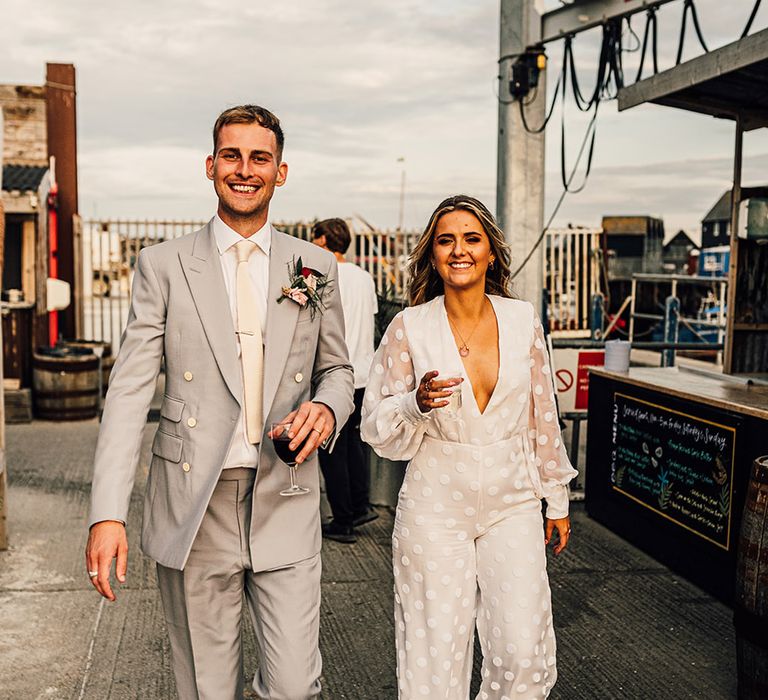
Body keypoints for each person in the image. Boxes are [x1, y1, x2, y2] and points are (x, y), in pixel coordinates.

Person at [85, 105, 354, 700]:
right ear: (210, 166)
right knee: (207, 688)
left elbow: (336, 368)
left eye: (260, 157)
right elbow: (129, 391)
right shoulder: (162, 265)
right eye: (231, 155)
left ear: (280, 172)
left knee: (293, 686)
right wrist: (108, 513)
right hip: (194, 502)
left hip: (286, 494)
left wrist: (329, 408)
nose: (244, 169)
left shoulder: (315, 267)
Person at [360, 195, 577, 699]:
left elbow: (542, 415)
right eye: (446, 240)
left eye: (471, 238)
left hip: (514, 501)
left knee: (523, 651)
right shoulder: (408, 327)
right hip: (435, 505)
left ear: (491, 253)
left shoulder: (523, 320)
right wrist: (415, 404)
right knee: (434, 653)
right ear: (432, 255)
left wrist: (557, 498)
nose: (459, 250)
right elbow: (375, 423)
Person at [312, 218, 378, 543]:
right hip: (364, 372)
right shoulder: (365, 278)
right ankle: (361, 504)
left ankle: (343, 519)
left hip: (334, 373)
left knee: (331, 448)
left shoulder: (321, 273)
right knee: (354, 443)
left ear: (323, 240)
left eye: (314, 238)